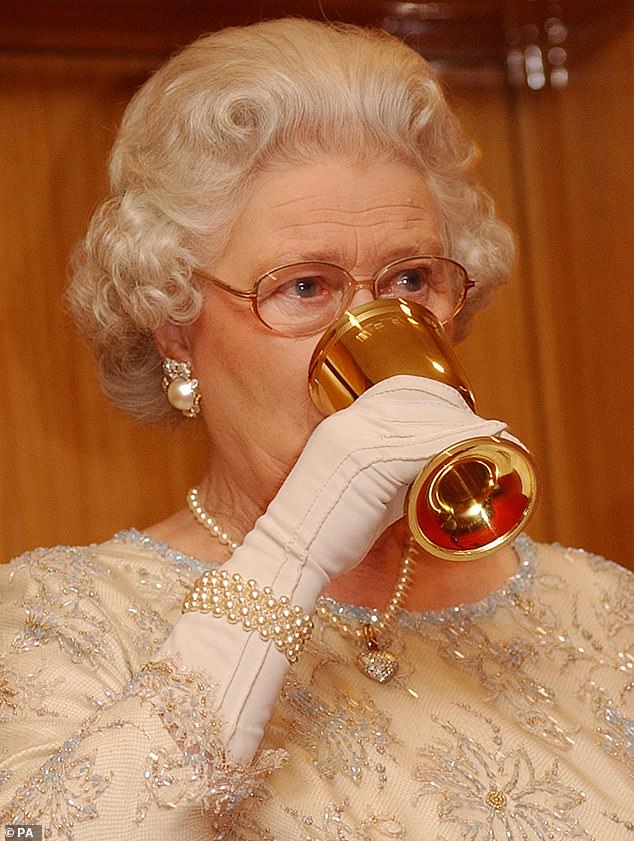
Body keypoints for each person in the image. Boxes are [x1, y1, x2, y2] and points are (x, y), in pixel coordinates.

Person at [0, 17, 631, 841]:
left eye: (412, 278)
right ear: (175, 328)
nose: (374, 330)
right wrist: (298, 545)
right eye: (305, 286)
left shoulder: (605, 612)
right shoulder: (65, 619)